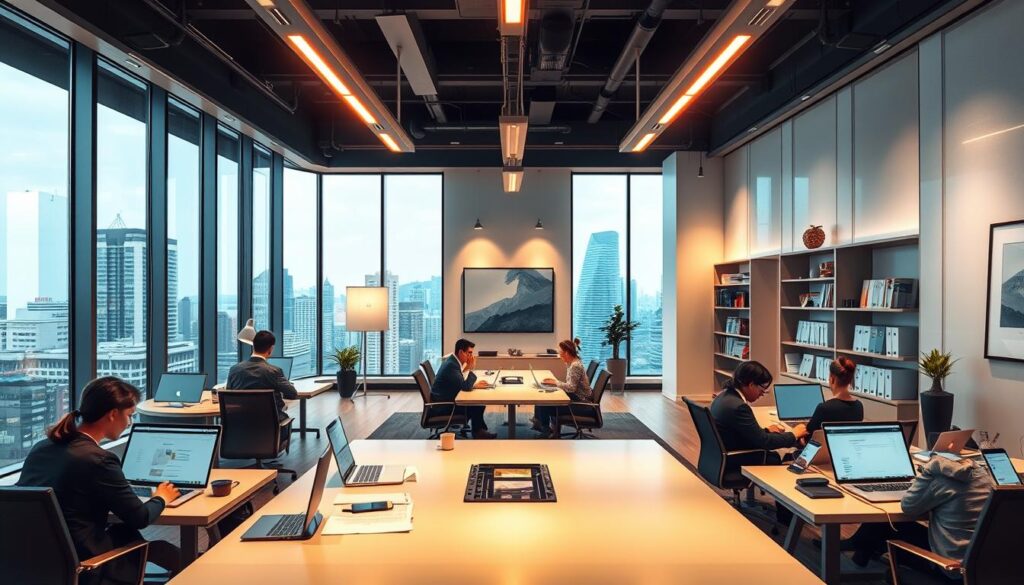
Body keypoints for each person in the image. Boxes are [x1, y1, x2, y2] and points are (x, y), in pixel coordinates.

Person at [18, 377, 182, 584]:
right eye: (129, 416)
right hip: (86, 564)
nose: (129, 423)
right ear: (113, 414)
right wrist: (161, 497)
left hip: (34, 561)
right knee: (155, 546)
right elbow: (140, 517)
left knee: (126, 533)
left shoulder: (41, 448)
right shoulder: (98, 459)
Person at [846, 455, 993, 573]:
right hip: (984, 562)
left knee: (884, 525)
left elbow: (908, 507)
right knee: (885, 526)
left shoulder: (942, 481)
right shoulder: (985, 477)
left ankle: (851, 557)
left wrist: (927, 472)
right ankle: (858, 552)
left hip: (949, 566)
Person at [710, 361, 808, 461]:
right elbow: (765, 442)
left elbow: (745, 433)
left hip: (721, 457)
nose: (761, 394)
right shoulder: (739, 407)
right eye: (762, 390)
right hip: (737, 460)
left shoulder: (724, 396)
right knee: (787, 455)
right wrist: (794, 434)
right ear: (751, 385)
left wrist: (766, 431)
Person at [430, 338, 496, 439]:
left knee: (477, 401)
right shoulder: (451, 366)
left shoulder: (452, 361)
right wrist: (471, 366)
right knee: (478, 403)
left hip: (444, 401)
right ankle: (478, 432)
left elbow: (459, 381)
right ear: (461, 352)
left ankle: (479, 430)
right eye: (469, 353)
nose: (471, 356)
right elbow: (465, 387)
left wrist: (474, 385)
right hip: (444, 407)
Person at [227, 330, 298, 421]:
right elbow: (292, 394)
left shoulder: (234, 369)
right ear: (271, 348)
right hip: (269, 426)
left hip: (240, 425)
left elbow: (229, 396)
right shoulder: (274, 371)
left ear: (253, 346)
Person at [531, 338, 592, 438]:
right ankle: (541, 424)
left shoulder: (575, 366)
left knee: (543, 402)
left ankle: (545, 431)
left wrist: (555, 382)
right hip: (577, 398)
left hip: (579, 404)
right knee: (544, 396)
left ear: (567, 353)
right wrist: (554, 384)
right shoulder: (573, 363)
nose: (559, 355)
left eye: (560, 352)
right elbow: (572, 386)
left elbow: (571, 388)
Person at [805, 356, 863, 435]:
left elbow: (808, 436)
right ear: (850, 380)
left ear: (832, 379)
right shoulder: (859, 406)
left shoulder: (824, 408)